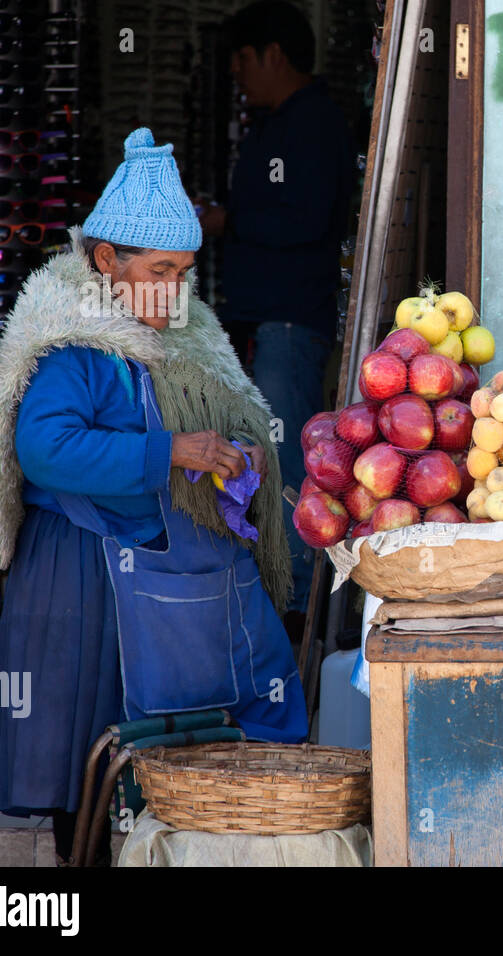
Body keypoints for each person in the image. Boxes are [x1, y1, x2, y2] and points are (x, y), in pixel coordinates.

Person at [0, 128, 308, 866]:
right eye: (160, 269)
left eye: (185, 270)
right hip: (83, 576)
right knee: (82, 758)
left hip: (155, 573)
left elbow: (214, 422)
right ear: (106, 261)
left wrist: (234, 454)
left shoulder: (179, 340)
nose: (175, 288)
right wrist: (170, 452)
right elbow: (46, 450)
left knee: (147, 753)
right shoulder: (75, 348)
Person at [199, 0, 357, 625]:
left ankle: (294, 609)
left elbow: (307, 218)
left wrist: (227, 220)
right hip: (265, 323)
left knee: (288, 459)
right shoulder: (273, 125)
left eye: (242, 58)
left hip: (291, 323)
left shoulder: (312, 124)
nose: (237, 73)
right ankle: (276, 595)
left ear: (274, 55)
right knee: (262, 456)